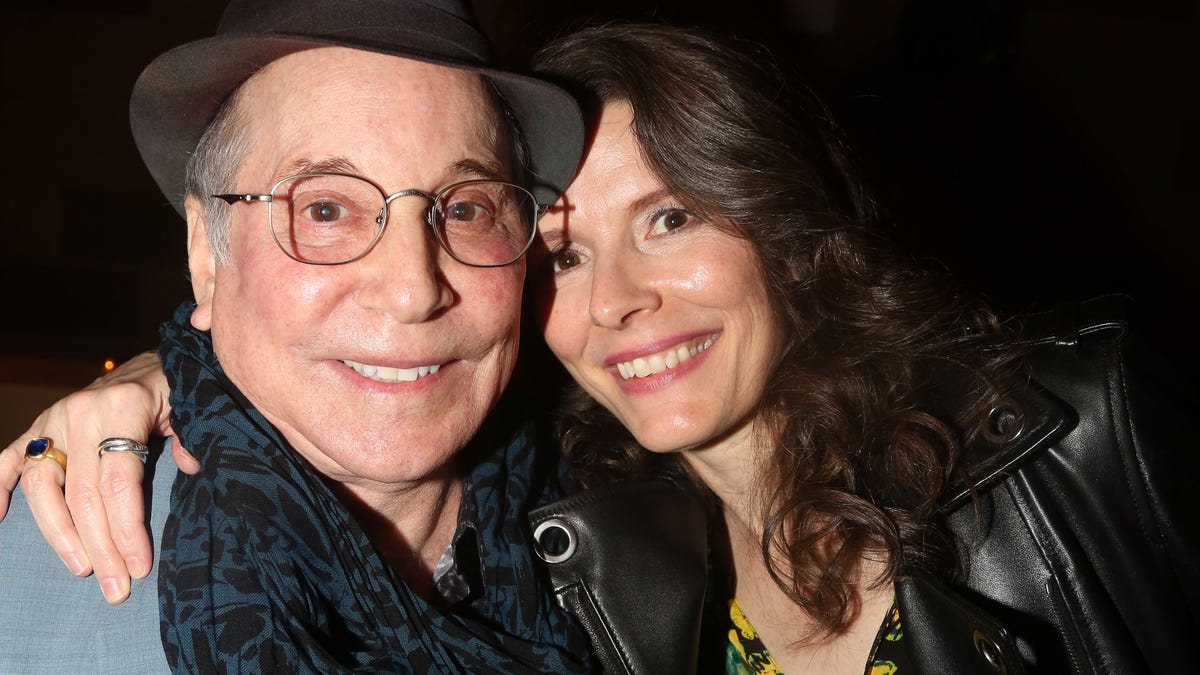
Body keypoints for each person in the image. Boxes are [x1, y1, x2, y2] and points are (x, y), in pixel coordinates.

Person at [7, 21, 1198, 675]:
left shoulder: (1095, 430)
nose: (620, 300)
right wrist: (165, 378)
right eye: (565, 255)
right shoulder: (612, 537)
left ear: (778, 223)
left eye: (672, 217)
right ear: (207, 259)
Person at [0, 0, 595, 672]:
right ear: (205, 255)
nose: (412, 288)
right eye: (325, 208)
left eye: (464, 207)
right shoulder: (23, 591)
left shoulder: (626, 549)